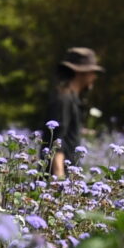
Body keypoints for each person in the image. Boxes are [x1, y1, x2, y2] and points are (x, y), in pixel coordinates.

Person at [42, 46, 104, 180]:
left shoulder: (72, 98)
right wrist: (59, 178)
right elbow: (56, 143)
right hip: (58, 176)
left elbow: (67, 131)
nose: (94, 77)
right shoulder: (63, 100)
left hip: (68, 174)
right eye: (92, 72)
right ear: (80, 73)